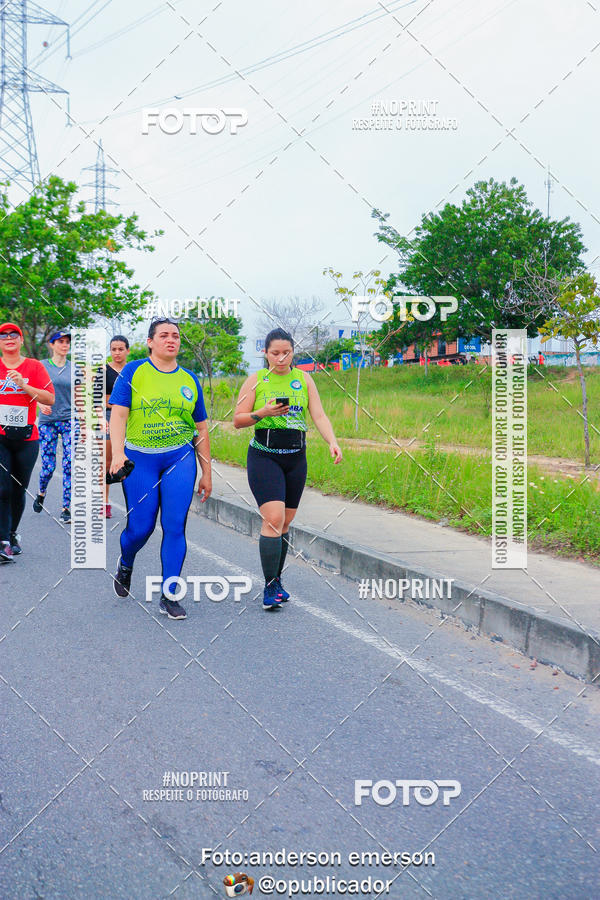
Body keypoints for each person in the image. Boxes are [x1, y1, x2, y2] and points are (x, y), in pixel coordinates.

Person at [109, 317, 212, 620]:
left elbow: (201, 428)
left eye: (176, 336)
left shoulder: (190, 379)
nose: (171, 340)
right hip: (140, 459)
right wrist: (117, 454)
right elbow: (119, 416)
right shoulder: (134, 371)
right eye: (164, 335)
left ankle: (170, 594)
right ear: (151, 342)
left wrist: (207, 472)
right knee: (141, 527)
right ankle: (126, 561)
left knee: (175, 525)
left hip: (179, 458)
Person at [233, 328, 342, 609]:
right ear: (265, 353)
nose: (281, 358)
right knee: (273, 518)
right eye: (275, 353)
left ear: (293, 351)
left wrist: (332, 441)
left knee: (285, 522)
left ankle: (277, 579)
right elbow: (238, 420)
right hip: (264, 456)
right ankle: (269, 588)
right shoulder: (256, 381)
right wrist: (263, 413)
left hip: (296, 458)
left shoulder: (304, 379)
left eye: (287, 353)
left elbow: (318, 414)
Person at [0, 322, 55, 561]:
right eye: (3, 335)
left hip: (26, 438)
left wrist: (23, 384)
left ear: (21, 340)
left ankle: (12, 534)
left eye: (14, 334)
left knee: (18, 489)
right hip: (0, 436)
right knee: (1, 488)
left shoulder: (33, 366)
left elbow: (49, 398)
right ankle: (2, 541)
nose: (9, 337)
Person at [33, 330, 75, 524]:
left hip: (69, 420)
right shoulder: (41, 366)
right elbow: (31, 392)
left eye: (67, 342)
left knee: (69, 464)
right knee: (49, 466)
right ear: (52, 345)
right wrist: (40, 404)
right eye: (60, 342)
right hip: (47, 421)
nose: (64, 345)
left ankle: (66, 507)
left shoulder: (74, 368)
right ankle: (41, 492)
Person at [95, 335, 130, 519]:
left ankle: (132, 503)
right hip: (108, 416)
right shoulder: (103, 370)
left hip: (131, 418)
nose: (117, 353)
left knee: (130, 462)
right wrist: (101, 418)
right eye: (113, 349)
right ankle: (104, 503)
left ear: (127, 351)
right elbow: (95, 399)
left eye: (120, 349)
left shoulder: (133, 370)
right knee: (107, 462)